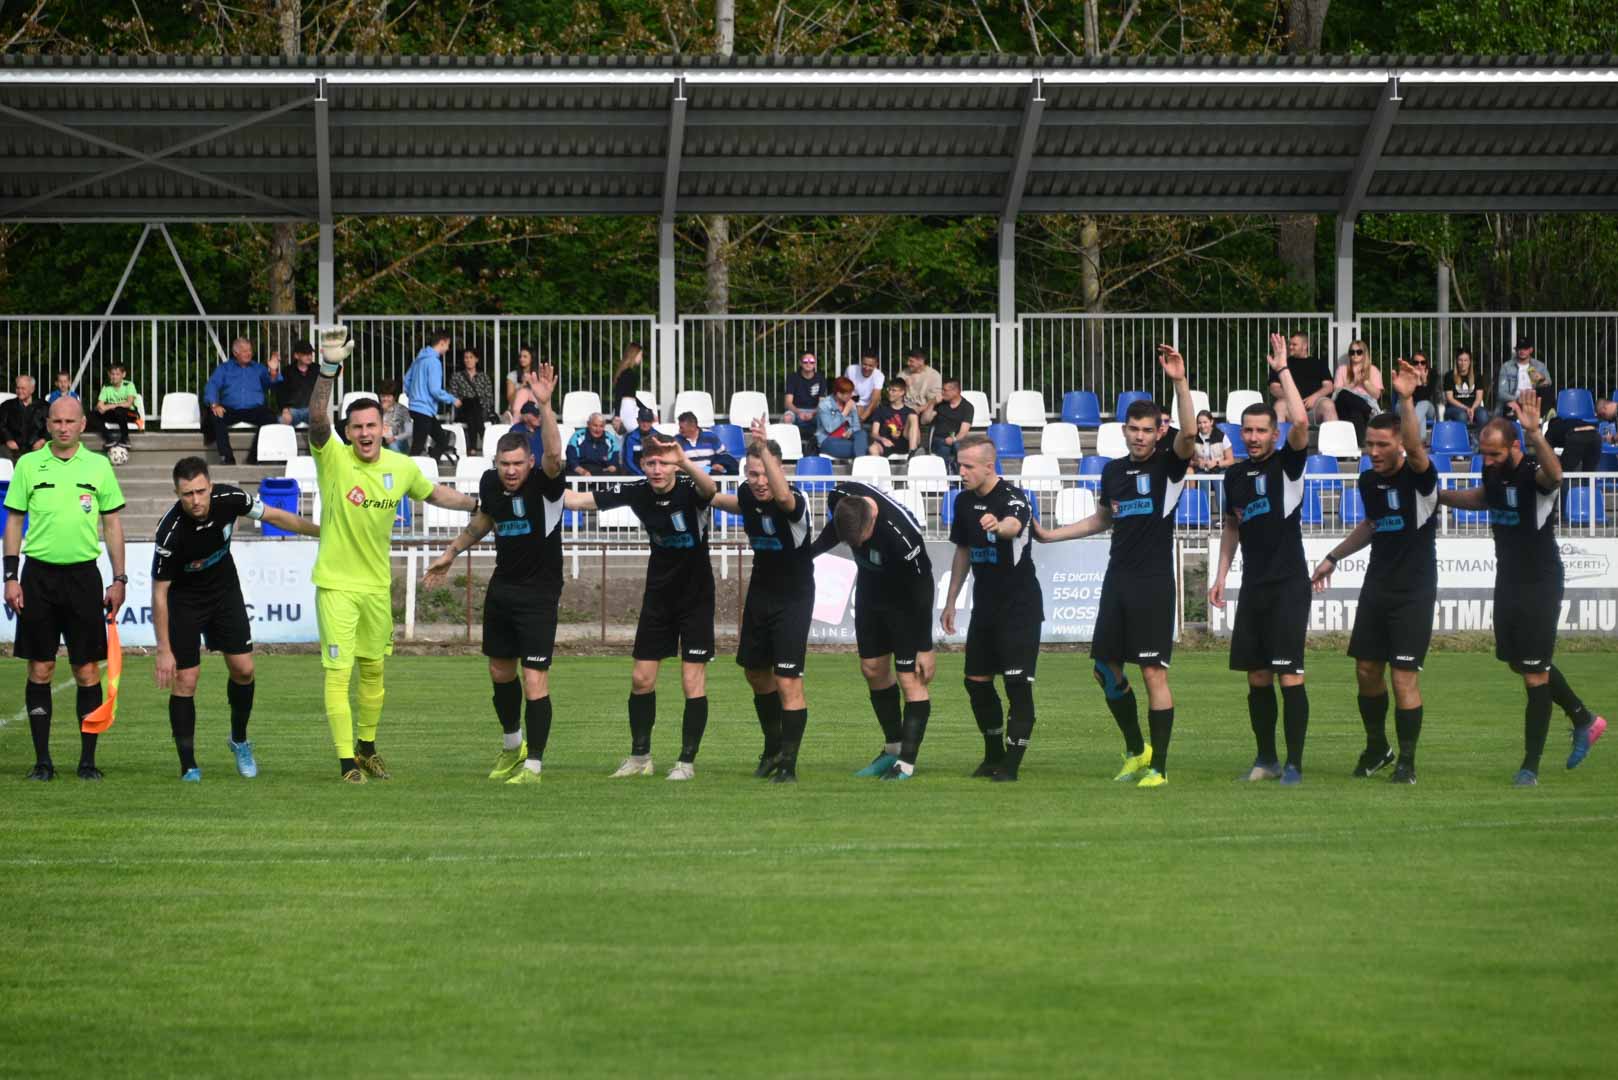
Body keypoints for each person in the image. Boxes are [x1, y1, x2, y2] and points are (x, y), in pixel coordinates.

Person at [305, 327, 479, 783]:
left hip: (377, 587)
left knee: (373, 671)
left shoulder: (400, 467)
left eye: (371, 426)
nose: (364, 433)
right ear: (348, 432)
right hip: (337, 586)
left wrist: (478, 505)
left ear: (384, 428)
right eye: (357, 427)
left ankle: (366, 748)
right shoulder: (333, 458)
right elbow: (317, 419)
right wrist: (328, 369)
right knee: (338, 672)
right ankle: (346, 763)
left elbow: (435, 493)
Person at [1032, 345, 1197, 788]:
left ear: (1159, 432)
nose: (1140, 437)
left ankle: (1159, 768)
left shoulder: (1169, 466)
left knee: (1152, 672)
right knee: (1104, 669)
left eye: (1147, 430)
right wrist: (1050, 535)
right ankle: (1136, 750)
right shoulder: (1113, 472)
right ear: (1124, 430)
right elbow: (1102, 519)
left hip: (1153, 583)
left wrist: (1180, 382)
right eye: (1134, 429)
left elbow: (1189, 434)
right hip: (1118, 580)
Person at [1437, 393, 1607, 785]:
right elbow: (1484, 498)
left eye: (1494, 454)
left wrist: (1536, 434)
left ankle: (1530, 767)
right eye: (1483, 454)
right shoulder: (1492, 473)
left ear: (1514, 446)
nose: (1487, 461)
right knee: (1520, 662)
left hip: (1539, 582)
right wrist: (1441, 496)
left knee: (1534, 674)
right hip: (1509, 579)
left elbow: (1556, 476)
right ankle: (1583, 718)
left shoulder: (1534, 471)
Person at [423, 369, 568, 787]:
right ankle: (512, 746)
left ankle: (534, 766)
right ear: (496, 464)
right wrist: (451, 553)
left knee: (534, 678)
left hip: (540, 592)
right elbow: (486, 519)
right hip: (503, 588)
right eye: (504, 464)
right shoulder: (491, 484)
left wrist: (545, 405)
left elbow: (554, 454)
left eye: (518, 463)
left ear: (529, 462)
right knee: (500, 672)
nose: (511, 471)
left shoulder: (545, 482)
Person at [1310, 360, 1438, 785]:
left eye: (1383, 444)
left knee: (1403, 678)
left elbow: (1417, 451)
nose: (1374, 452)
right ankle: (1378, 747)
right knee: (1366, 670)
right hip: (1378, 587)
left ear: (1400, 445)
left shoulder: (1420, 478)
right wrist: (1334, 556)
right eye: (1369, 444)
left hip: (1413, 592)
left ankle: (1408, 762)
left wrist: (1406, 399)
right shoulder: (1368, 482)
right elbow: (1372, 524)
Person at [152, 457, 319, 781]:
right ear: (177, 493)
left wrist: (320, 531)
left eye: (201, 491)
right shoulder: (170, 531)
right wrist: (163, 649)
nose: (196, 500)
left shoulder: (230, 498)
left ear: (211, 486)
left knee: (244, 669)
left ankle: (239, 741)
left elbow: (275, 516)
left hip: (224, 592)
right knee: (186, 680)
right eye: (187, 494)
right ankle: (189, 765)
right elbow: (160, 592)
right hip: (184, 602)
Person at [563, 434, 717, 780]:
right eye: (651, 463)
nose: (657, 469)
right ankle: (640, 758)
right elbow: (576, 500)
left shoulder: (690, 489)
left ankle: (686, 763)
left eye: (664, 462)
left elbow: (710, 489)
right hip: (659, 597)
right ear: (642, 465)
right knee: (640, 679)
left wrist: (685, 461)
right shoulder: (637, 491)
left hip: (696, 598)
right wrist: (542, 478)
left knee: (691, 681)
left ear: (674, 465)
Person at [4, 395, 127, 781]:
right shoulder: (28, 465)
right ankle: (42, 762)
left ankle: (87, 762)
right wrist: (10, 576)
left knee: (87, 669)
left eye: (70, 421)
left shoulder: (99, 466)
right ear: (48, 424)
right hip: (38, 578)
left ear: (82, 424)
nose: (62, 427)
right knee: (40, 668)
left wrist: (119, 578)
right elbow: (14, 522)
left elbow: (112, 524)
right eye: (56, 421)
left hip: (83, 578)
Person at [1209, 333, 1314, 786]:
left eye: (1260, 431)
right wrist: (1221, 575)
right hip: (1253, 586)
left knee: (1288, 674)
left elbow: (1303, 422)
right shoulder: (1233, 475)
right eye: (1247, 431)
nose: (1253, 438)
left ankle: (1294, 764)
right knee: (1256, 676)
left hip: (1289, 584)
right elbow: (1232, 527)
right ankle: (1266, 759)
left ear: (1275, 433)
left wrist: (1283, 369)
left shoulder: (1287, 465)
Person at [709, 419, 815, 783]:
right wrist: (689, 476)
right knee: (755, 673)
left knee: (787, 680)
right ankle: (773, 748)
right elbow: (725, 499)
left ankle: (789, 764)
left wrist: (766, 447)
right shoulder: (748, 495)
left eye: (765, 473)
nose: (759, 481)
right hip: (761, 594)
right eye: (752, 474)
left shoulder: (795, 502)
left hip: (794, 598)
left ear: (778, 470)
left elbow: (782, 498)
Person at [809, 481, 936, 780]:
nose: (857, 547)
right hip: (870, 595)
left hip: (905, 602)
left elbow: (923, 587)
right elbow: (835, 530)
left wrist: (925, 646)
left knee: (910, 677)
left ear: (873, 521)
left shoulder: (902, 538)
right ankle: (892, 749)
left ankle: (906, 762)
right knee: (872, 669)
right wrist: (808, 554)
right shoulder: (840, 497)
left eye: (861, 540)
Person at [940, 433, 1040, 782]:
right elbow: (963, 550)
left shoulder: (1013, 498)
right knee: (976, 682)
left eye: (968, 466)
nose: (961, 472)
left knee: (1017, 685)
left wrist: (998, 528)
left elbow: (1014, 526)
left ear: (988, 465)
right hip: (985, 607)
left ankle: (1011, 764)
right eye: (959, 465)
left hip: (1019, 607)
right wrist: (951, 600)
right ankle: (993, 753)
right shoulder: (963, 502)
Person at [202, 337, 282, 466]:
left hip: (254, 409)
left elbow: (272, 384)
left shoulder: (258, 368)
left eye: (249, 350)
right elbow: (212, 385)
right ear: (235, 353)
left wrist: (273, 371)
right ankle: (227, 457)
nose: (248, 353)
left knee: (270, 418)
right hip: (230, 409)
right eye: (244, 351)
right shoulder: (224, 368)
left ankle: (254, 457)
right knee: (215, 416)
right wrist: (214, 404)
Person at [404, 330, 459, 462]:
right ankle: (412, 470)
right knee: (417, 447)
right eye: (448, 345)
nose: (448, 348)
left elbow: (406, 380)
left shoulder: (419, 359)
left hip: (417, 408)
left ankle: (431, 463)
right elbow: (435, 390)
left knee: (441, 440)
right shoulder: (434, 362)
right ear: (442, 343)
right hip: (424, 409)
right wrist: (452, 399)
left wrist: (413, 396)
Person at [1270, 331, 1336, 425]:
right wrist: (1292, 398)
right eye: (1290, 344)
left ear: (1305, 346)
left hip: (1314, 408)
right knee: (1279, 405)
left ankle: (1334, 435)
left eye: (1294, 344)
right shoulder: (1282, 363)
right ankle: (1279, 435)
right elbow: (1274, 387)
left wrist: (1314, 397)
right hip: (1290, 408)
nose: (1290, 347)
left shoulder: (1318, 363)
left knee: (1328, 405)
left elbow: (1329, 386)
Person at [1333, 339, 1384, 441]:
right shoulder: (1342, 369)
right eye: (1352, 352)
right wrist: (1354, 383)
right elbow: (1337, 391)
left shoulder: (1373, 370)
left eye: (1359, 352)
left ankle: (1359, 443)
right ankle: (1371, 412)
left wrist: (1365, 382)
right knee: (1343, 394)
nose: (1355, 355)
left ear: (1364, 353)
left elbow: (1377, 395)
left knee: (1355, 413)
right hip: (1345, 404)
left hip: (1365, 402)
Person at [450, 347, 496, 455]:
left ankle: (472, 447)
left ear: (476, 359)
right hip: (463, 409)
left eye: (471, 357)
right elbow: (453, 396)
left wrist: (483, 406)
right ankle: (483, 435)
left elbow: (489, 397)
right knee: (470, 402)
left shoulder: (483, 377)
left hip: (481, 410)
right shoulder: (457, 377)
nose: (468, 360)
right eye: (466, 357)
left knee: (474, 404)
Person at [921, 375, 973, 466]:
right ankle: (945, 473)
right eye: (942, 389)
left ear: (956, 391)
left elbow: (963, 432)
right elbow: (924, 421)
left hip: (956, 439)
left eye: (945, 390)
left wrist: (953, 439)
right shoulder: (940, 404)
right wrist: (932, 403)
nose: (942, 393)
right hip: (939, 440)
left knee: (959, 447)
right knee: (944, 448)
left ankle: (959, 472)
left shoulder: (967, 407)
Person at [1496, 338, 1553, 419]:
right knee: (1509, 407)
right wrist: (1517, 399)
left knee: (1547, 390)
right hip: (1515, 401)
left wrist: (1542, 379)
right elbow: (1501, 393)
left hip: (1533, 401)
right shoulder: (1507, 367)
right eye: (1520, 348)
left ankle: (1544, 418)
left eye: (1525, 349)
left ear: (1531, 350)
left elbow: (1548, 384)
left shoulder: (1539, 366)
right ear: (1516, 350)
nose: (1522, 351)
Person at [816, 377, 868, 459]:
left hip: (846, 439)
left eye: (851, 392)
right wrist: (845, 412)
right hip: (828, 440)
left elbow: (856, 426)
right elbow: (829, 428)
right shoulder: (824, 405)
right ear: (839, 394)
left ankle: (860, 459)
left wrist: (850, 432)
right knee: (863, 447)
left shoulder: (850, 403)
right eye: (848, 393)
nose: (851, 395)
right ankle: (862, 456)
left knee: (862, 433)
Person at [1441, 348, 1486, 443]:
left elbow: (1479, 398)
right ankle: (1463, 442)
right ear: (1456, 361)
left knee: (1483, 415)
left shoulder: (1477, 376)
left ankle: (1479, 442)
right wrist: (1466, 408)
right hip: (1454, 408)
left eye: (1466, 360)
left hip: (1473, 407)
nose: (1463, 363)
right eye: (1460, 360)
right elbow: (1450, 398)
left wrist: (1472, 409)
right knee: (1462, 415)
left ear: (1470, 362)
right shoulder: (1449, 376)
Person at [94, 362, 143, 448]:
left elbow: (128, 403)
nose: (114, 377)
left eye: (117, 374)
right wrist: (101, 408)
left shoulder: (129, 385)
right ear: (109, 374)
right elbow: (99, 405)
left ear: (123, 375)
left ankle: (125, 439)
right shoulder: (106, 386)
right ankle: (109, 439)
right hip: (114, 414)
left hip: (130, 414)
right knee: (94, 414)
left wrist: (109, 406)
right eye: (112, 374)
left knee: (119, 410)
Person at [782, 350, 824, 451]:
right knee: (787, 417)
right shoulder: (793, 378)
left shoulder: (820, 378)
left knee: (824, 417)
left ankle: (819, 447)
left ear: (815, 364)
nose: (808, 364)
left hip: (814, 411)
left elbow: (822, 403)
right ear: (800, 363)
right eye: (805, 361)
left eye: (812, 362)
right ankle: (789, 448)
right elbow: (788, 403)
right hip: (796, 410)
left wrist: (813, 413)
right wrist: (799, 412)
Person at [868, 378, 919, 458]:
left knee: (913, 416)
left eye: (894, 390)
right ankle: (879, 467)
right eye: (889, 389)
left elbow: (917, 437)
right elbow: (874, 433)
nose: (890, 392)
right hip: (887, 444)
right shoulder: (881, 410)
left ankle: (912, 452)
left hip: (905, 443)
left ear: (902, 392)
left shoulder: (910, 412)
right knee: (872, 448)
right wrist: (882, 439)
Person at [2, 375, 48, 460]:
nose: (20, 391)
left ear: (32, 389)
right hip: (13, 450)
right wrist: (8, 440)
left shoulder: (44, 406)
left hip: (37, 449)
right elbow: (2, 425)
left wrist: (43, 440)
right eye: (17, 388)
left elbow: (51, 427)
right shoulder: (6, 406)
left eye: (23, 388)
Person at [676, 411, 737, 475]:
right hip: (688, 474)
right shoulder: (677, 440)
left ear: (692, 427)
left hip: (709, 472)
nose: (679, 431)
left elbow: (723, 455)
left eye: (681, 428)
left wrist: (718, 464)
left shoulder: (710, 436)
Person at [277, 340, 319, 426]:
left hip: (311, 410)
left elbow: (334, 373)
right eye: (305, 354)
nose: (309, 356)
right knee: (281, 421)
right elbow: (281, 392)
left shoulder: (317, 369)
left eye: (310, 353)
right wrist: (285, 409)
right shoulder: (287, 371)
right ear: (296, 355)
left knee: (321, 422)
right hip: (292, 411)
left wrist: (330, 359)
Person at [1394, 351, 1437, 430]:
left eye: (1422, 363)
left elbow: (1426, 397)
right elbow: (1411, 397)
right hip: (1407, 407)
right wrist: (1417, 380)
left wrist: (1423, 381)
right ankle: (1417, 434)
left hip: (1427, 408)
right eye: (1416, 363)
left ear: (1426, 364)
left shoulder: (1432, 374)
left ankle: (1410, 429)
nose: (1419, 365)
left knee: (1424, 403)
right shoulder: (1407, 374)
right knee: (1421, 418)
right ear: (1412, 364)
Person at [608, 341, 645, 434]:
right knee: (636, 431)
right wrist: (617, 415)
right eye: (640, 355)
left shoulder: (627, 373)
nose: (641, 358)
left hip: (629, 406)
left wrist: (645, 408)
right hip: (626, 408)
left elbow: (631, 395)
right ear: (634, 355)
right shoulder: (627, 373)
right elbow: (619, 394)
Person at [844, 347, 885, 421]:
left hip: (868, 405)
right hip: (851, 401)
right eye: (864, 364)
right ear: (861, 361)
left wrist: (862, 418)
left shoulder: (879, 376)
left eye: (870, 366)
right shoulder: (851, 369)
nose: (867, 368)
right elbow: (843, 389)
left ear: (876, 365)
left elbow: (875, 400)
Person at [900, 347, 942, 414]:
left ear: (921, 361)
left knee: (931, 414)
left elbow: (936, 398)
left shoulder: (934, 375)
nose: (908, 363)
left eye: (911, 361)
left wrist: (920, 409)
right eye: (908, 360)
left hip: (925, 411)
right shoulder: (903, 374)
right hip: (904, 410)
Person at [1190, 410, 1233, 474]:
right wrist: (1197, 463)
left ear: (1211, 422)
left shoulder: (1222, 437)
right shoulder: (1193, 438)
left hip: (1219, 470)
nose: (1202, 426)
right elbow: (1187, 461)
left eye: (1205, 422)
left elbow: (1230, 461)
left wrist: (1216, 463)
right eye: (1199, 423)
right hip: (1200, 470)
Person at [505, 344, 538, 423]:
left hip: (534, 409)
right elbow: (510, 399)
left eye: (525, 357)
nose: (521, 359)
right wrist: (522, 386)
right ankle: (515, 418)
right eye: (520, 357)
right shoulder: (512, 375)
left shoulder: (537, 375)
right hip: (516, 409)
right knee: (523, 392)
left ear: (532, 358)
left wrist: (532, 383)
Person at [378, 379, 411, 453]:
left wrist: (395, 438)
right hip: (381, 440)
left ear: (394, 397)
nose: (385, 399)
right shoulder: (376, 409)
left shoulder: (402, 410)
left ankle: (398, 460)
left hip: (398, 441)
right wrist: (384, 412)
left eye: (388, 396)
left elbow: (409, 431)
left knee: (392, 445)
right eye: (383, 396)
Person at [621, 405, 657, 475]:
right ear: (638, 421)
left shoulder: (658, 437)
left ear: (652, 421)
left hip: (653, 475)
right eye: (643, 421)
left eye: (648, 421)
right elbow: (627, 460)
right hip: (634, 476)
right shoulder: (630, 438)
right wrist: (640, 474)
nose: (645, 424)